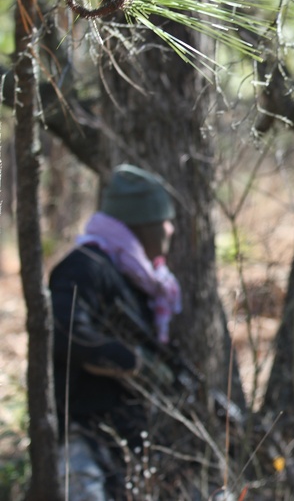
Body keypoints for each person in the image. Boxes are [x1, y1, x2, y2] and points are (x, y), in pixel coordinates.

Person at [51, 164, 181, 501]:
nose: (171, 229)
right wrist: (136, 364)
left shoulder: (140, 281)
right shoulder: (84, 267)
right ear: (142, 225)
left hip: (125, 440)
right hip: (83, 437)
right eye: (163, 221)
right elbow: (68, 335)